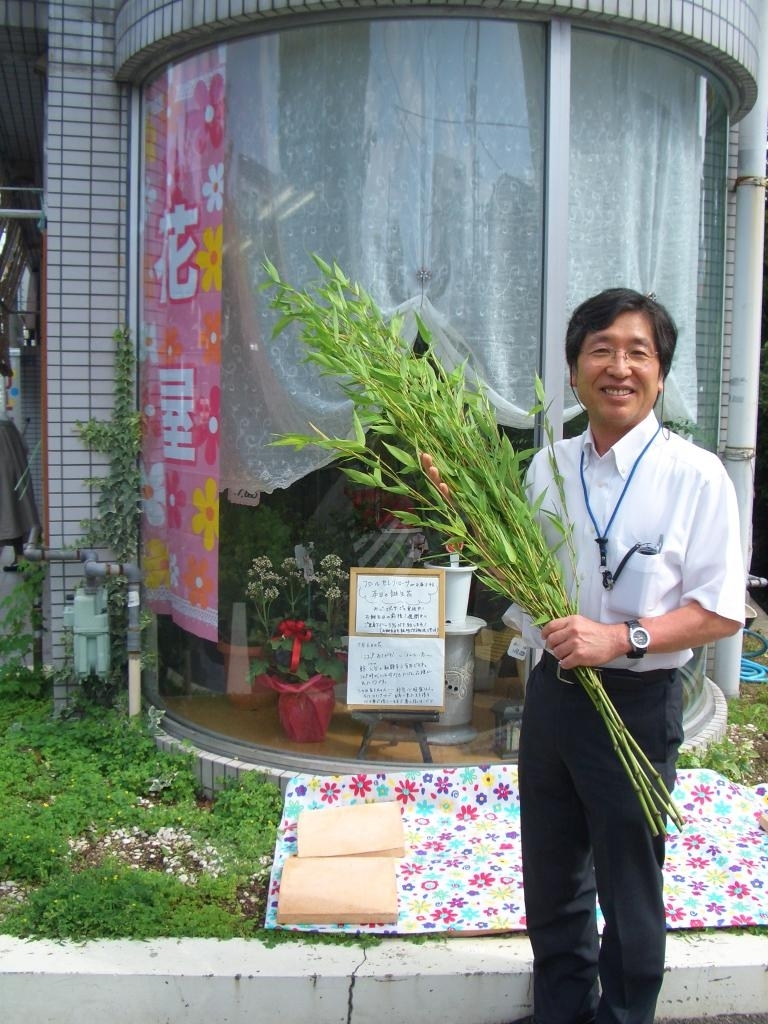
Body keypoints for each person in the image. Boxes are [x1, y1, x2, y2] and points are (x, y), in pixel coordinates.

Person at [423, 288, 744, 1024]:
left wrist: (620, 637)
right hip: (556, 696)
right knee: (554, 873)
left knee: (630, 881)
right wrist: (466, 518)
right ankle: (562, 1009)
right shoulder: (549, 468)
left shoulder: (696, 477)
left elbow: (721, 611)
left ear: (661, 374)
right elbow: (520, 576)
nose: (619, 367)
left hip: (635, 701)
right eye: (601, 350)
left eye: (638, 352)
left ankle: (625, 1015)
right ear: (574, 372)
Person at [0, 377, 41, 572]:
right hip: (12, 476)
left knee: (11, 507)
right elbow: (24, 449)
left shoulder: (5, 430)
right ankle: (21, 558)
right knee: (14, 507)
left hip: (9, 468)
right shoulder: (8, 431)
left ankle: (21, 558)